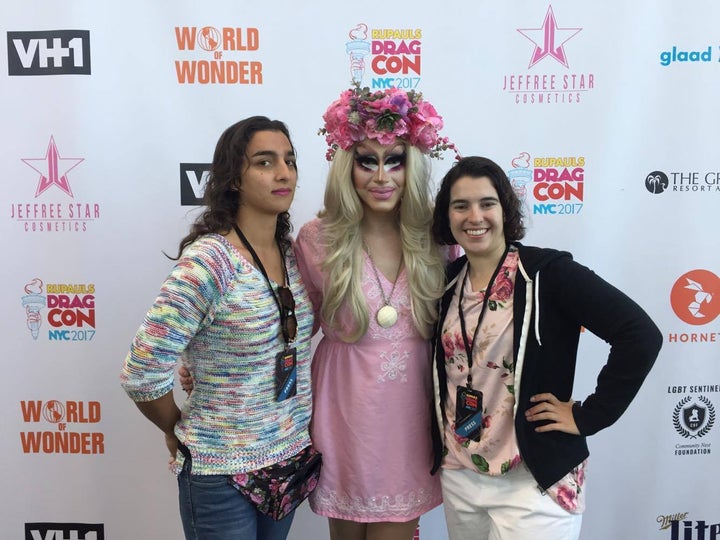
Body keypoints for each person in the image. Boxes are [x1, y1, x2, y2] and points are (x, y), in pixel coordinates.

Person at [429, 156, 663, 540]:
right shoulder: (448, 282)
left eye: (487, 203)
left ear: (505, 208)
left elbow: (640, 334)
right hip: (461, 473)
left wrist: (590, 416)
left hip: (533, 479)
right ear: (447, 215)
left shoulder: (548, 273)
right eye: (461, 205)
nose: (475, 216)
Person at [120, 116, 314, 540]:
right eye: (264, 162)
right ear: (233, 180)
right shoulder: (210, 262)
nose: (284, 173)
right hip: (220, 471)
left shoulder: (292, 254)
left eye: (290, 160)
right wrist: (175, 429)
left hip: (287, 456)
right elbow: (141, 371)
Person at [293, 84, 458, 540]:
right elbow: (286, 328)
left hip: (410, 416)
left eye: (395, 160)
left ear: (414, 164)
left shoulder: (438, 238)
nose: (381, 176)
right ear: (348, 166)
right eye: (367, 160)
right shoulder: (317, 239)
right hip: (343, 411)